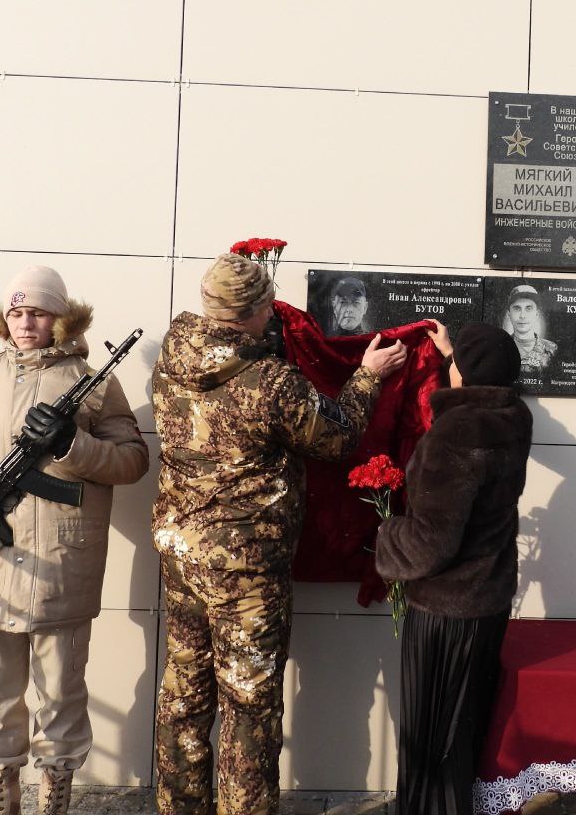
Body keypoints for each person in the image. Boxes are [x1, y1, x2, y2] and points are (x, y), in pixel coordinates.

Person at [151, 253, 407, 815]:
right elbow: (335, 437)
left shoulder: (173, 355)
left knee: (184, 697)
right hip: (245, 570)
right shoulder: (270, 382)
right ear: (249, 312)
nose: (273, 310)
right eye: (266, 304)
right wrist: (368, 376)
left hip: (181, 556)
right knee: (249, 707)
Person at [0, 266, 149, 815]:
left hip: (61, 566)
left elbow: (133, 461)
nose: (25, 323)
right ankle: (0, 800)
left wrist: (72, 445)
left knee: (61, 698)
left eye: (37, 312)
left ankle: (54, 801)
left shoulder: (95, 382)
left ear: (61, 318)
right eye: (16, 313)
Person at [375, 320, 533, 815]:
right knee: (461, 734)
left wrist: (385, 538)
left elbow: (430, 544)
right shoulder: (513, 417)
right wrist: (453, 357)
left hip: (445, 614)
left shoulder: (455, 433)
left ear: (464, 372)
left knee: (431, 739)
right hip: (485, 604)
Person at [500, 284, 557, 374]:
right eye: (517, 308)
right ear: (509, 314)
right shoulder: (499, 349)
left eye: (529, 308)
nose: (522, 316)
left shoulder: (551, 350)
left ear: (536, 314)